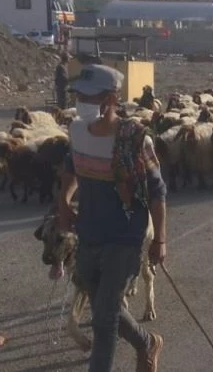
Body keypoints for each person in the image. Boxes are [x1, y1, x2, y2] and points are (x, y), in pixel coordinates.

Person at [58, 64, 167, 372]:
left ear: (111, 99)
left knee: (104, 321)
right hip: (88, 234)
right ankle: (147, 343)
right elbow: (71, 169)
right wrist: (64, 203)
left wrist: (159, 239)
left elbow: (157, 191)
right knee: (108, 309)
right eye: (79, 95)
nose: (82, 102)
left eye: (89, 97)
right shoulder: (78, 132)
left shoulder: (135, 139)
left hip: (124, 238)